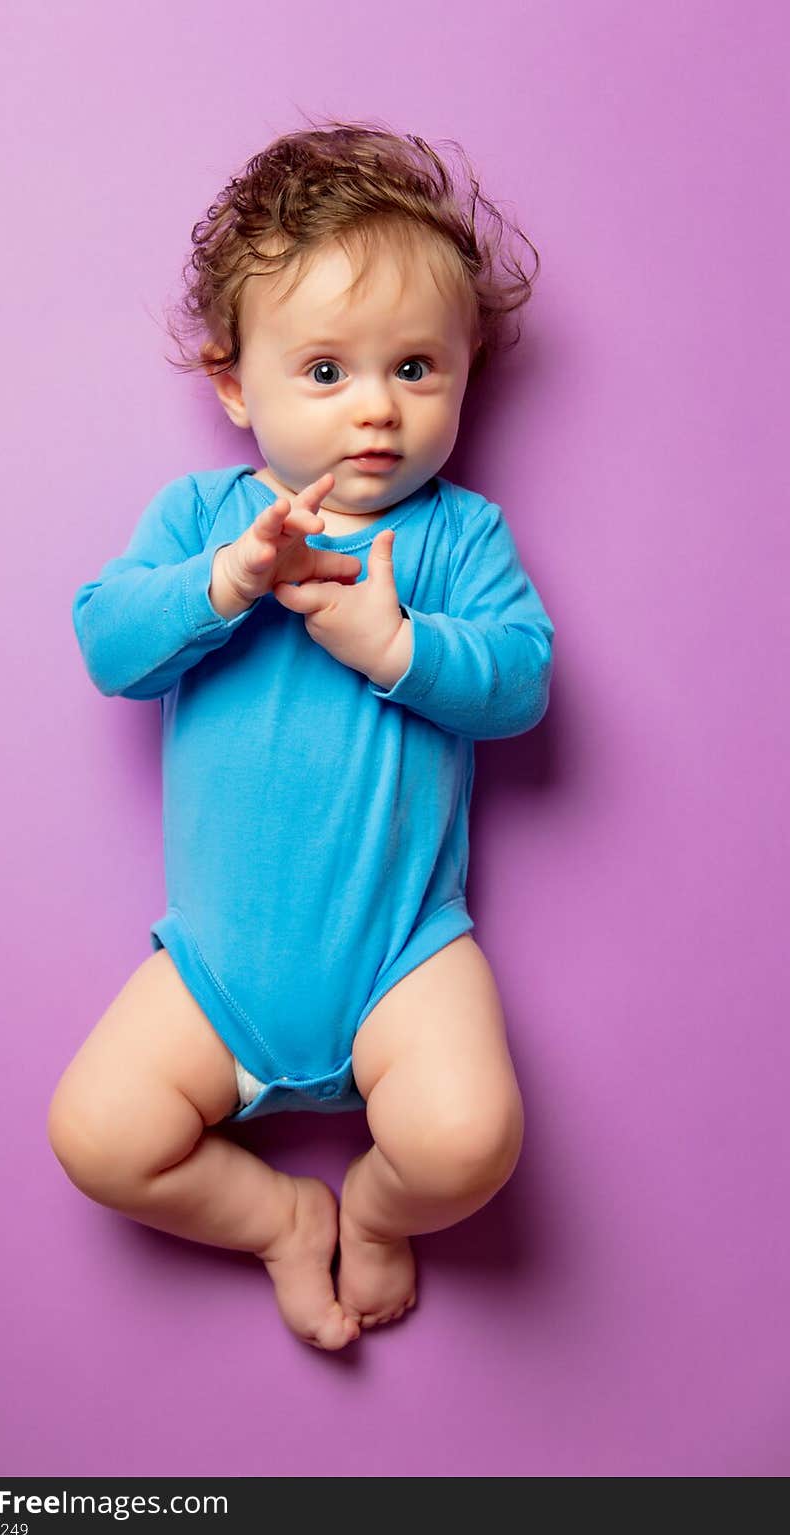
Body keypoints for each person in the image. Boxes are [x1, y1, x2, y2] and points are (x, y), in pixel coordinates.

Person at [47, 117, 555, 1352]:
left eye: (416, 368)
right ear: (235, 383)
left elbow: (523, 683)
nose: (374, 410)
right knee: (97, 1135)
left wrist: (400, 647)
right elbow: (109, 644)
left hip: (402, 959)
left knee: (468, 1139)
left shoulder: (456, 537)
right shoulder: (202, 516)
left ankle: (373, 1211)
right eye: (325, 372)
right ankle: (278, 1217)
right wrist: (224, 582)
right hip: (217, 971)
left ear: (465, 369)